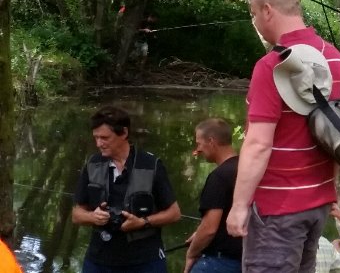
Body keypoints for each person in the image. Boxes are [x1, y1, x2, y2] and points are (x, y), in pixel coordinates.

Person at [226, 0, 340, 272]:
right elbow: (338, 138)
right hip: (318, 202)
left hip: (277, 208)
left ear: (268, 10)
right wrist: (328, 189)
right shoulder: (334, 59)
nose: (255, 21)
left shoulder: (271, 66)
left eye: (254, 14)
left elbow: (258, 144)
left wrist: (239, 206)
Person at [72, 106, 181, 273]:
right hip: (99, 260)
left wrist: (143, 222)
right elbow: (77, 214)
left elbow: (174, 213)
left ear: (123, 133)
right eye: (96, 137)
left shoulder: (150, 165)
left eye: (104, 137)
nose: (98, 143)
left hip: (145, 261)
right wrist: (93, 217)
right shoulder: (92, 164)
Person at [184, 118, 241, 273]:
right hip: (247, 258)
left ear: (211, 141)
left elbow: (209, 228)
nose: (198, 149)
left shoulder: (219, 177)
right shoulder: (246, 169)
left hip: (220, 262)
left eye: (199, 143)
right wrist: (198, 234)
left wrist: (191, 253)